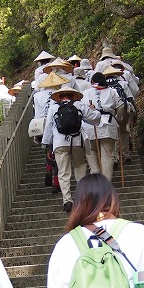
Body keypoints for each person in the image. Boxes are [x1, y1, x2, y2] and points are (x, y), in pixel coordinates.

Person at [41, 85, 100, 213]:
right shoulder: (79, 105)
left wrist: (47, 145)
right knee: (80, 167)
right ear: (73, 95)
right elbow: (95, 118)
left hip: (59, 143)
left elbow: (49, 128)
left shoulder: (53, 108)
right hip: (77, 141)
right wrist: (94, 110)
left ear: (59, 97)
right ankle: (81, 197)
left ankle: (67, 200)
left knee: (63, 172)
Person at [81, 72, 124, 181]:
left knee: (91, 152)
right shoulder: (112, 91)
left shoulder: (85, 93)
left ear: (92, 82)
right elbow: (121, 105)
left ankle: (95, 174)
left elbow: (81, 109)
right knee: (107, 155)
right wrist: (118, 118)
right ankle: (106, 181)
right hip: (108, 125)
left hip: (89, 125)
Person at [32, 71, 70, 193]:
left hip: (39, 125)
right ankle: (56, 182)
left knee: (48, 148)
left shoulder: (36, 96)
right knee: (57, 152)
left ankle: (48, 166)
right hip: (54, 125)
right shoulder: (57, 95)